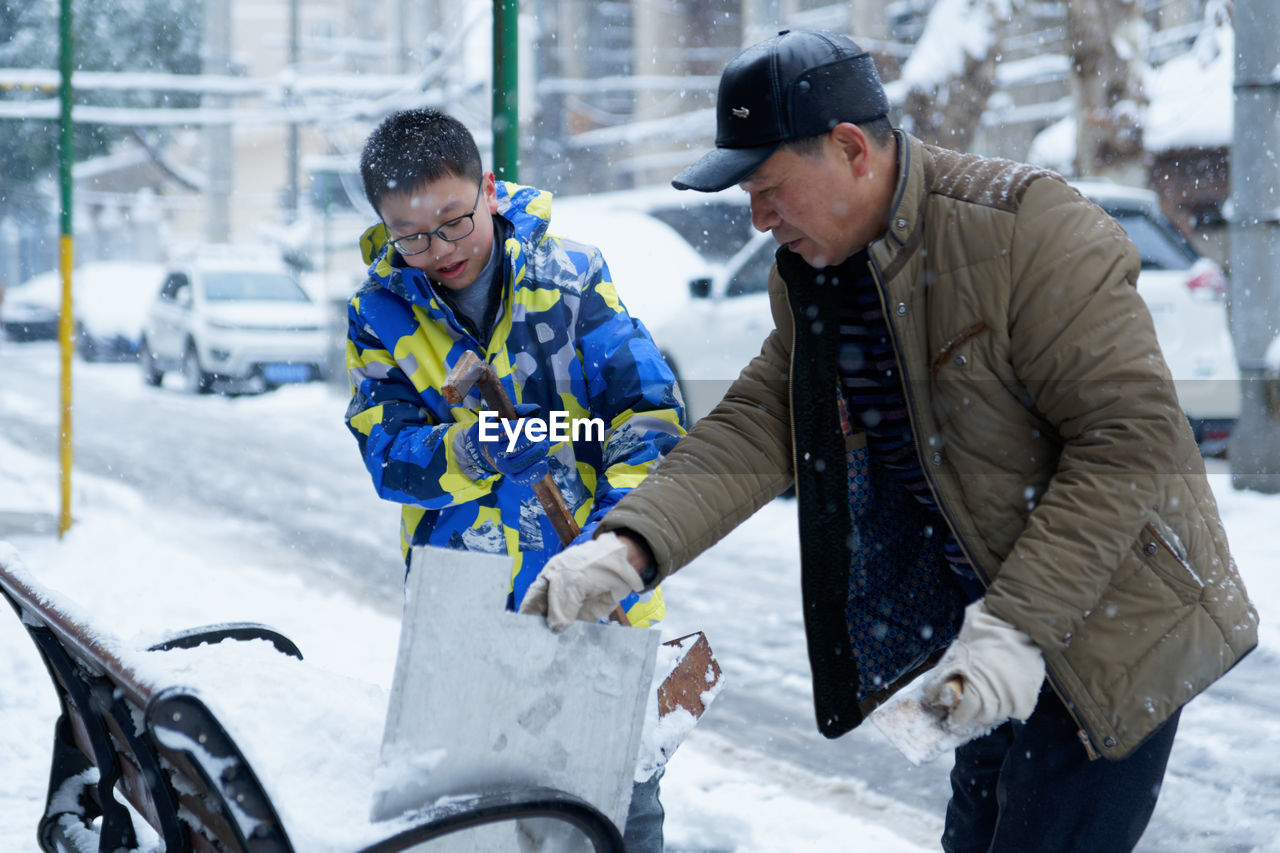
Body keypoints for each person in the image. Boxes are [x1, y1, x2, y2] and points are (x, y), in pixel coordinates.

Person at [519, 29, 1259, 852]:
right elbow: (762, 420)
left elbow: (1129, 445)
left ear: (849, 150)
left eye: (768, 188)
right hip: (988, 628)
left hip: (1114, 619)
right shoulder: (817, 272)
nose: (759, 219)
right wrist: (628, 547)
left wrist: (1016, 629)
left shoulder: (1028, 228)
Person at [345, 107, 685, 850]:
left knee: (616, 811)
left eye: (454, 220)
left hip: (598, 597)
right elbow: (388, 454)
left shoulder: (573, 279)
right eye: (411, 234)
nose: (438, 249)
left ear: (489, 190)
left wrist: (615, 540)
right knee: (481, 820)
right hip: (465, 603)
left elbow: (649, 418)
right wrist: (476, 452)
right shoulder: (380, 314)